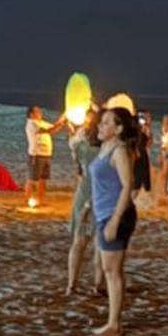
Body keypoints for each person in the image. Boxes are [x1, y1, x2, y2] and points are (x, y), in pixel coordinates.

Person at [90, 105, 139, 336]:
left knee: (112, 271)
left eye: (107, 122)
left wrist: (114, 220)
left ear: (119, 129)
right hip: (104, 213)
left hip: (115, 214)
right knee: (111, 270)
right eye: (102, 121)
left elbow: (127, 185)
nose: (101, 125)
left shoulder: (119, 150)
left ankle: (114, 325)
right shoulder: (105, 147)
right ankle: (113, 321)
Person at [66, 109, 102, 295]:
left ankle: (72, 284)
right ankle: (98, 284)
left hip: (82, 192)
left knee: (78, 241)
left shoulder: (80, 147)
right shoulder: (107, 150)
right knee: (99, 243)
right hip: (101, 195)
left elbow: (79, 171)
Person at [23, 105, 55, 206]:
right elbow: (47, 130)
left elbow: (53, 129)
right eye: (37, 111)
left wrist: (64, 120)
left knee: (43, 179)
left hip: (46, 154)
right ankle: (27, 200)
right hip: (36, 154)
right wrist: (63, 118)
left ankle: (40, 200)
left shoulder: (42, 122)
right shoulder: (31, 123)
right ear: (31, 114)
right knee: (32, 179)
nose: (40, 113)